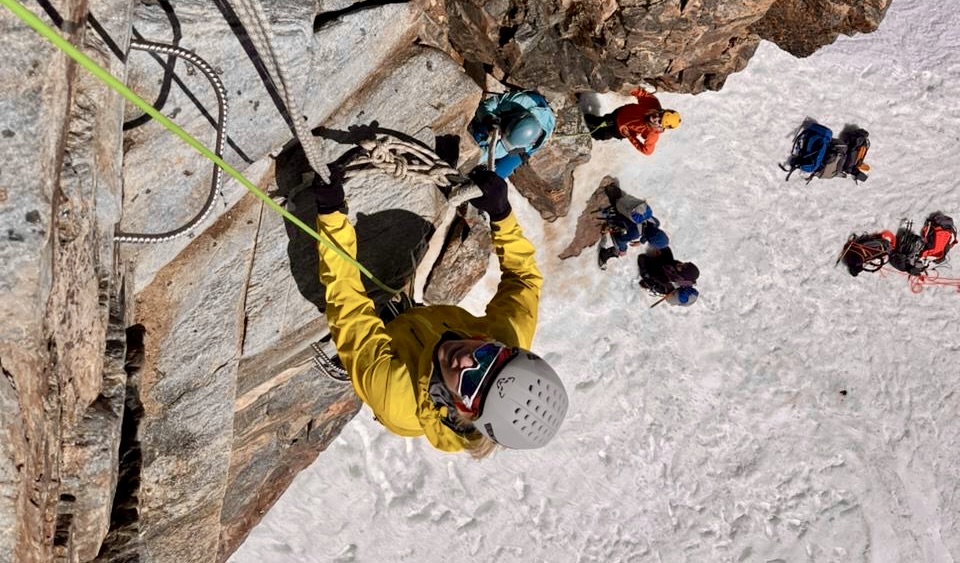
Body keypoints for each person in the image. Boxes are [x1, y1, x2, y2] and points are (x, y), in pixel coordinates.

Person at [313, 167, 568, 458]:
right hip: (423, 325)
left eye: (471, 383)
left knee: (343, 316)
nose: (466, 359)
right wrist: (501, 214)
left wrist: (331, 215)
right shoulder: (508, 339)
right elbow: (524, 280)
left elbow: (347, 304)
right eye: (487, 355)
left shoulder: (397, 396)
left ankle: (356, 356)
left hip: (394, 364)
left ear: (465, 410)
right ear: (505, 350)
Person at [468, 90, 556, 179]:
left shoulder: (532, 142)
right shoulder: (518, 101)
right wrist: (488, 118)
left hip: (522, 144)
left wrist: (474, 159)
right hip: (517, 114)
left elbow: (492, 152)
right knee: (480, 131)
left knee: (497, 176)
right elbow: (485, 107)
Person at [582, 88, 680, 156]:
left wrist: (631, 137)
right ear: (662, 111)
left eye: (659, 121)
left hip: (619, 130)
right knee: (597, 123)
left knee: (600, 135)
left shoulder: (653, 134)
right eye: (660, 114)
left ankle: (583, 128)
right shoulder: (654, 104)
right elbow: (641, 94)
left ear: (661, 126)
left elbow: (647, 151)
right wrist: (631, 89)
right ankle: (580, 118)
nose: (656, 117)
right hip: (619, 114)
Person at [597, 191, 670, 269]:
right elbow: (620, 240)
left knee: (629, 227)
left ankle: (616, 224)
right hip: (618, 211)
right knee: (620, 248)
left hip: (628, 202)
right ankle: (606, 252)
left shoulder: (656, 222)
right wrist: (623, 250)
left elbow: (650, 233)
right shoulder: (636, 233)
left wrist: (641, 241)